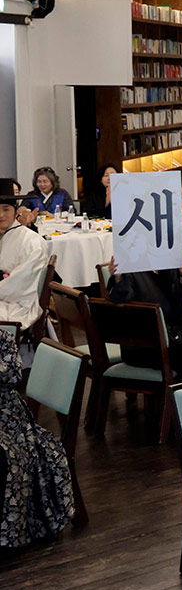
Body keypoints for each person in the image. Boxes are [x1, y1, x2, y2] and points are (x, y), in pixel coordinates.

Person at [0, 327, 72, 548]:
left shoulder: (3, 339)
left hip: (8, 419)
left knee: (6, 456)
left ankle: (9, 536)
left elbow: (12, 376)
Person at [108, 257, 182, 382]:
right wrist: (118, 278)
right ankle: (180, 398)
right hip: (145, 341)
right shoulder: (130, 266)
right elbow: (118, 299)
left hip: (179, 331)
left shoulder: (169, 263)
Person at [0, 181, 50, 330]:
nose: (1, 215)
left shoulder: (31, 241)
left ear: (16, 212)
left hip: (19, 304)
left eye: (6, 209)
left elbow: (20, 285)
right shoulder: (4, 236)